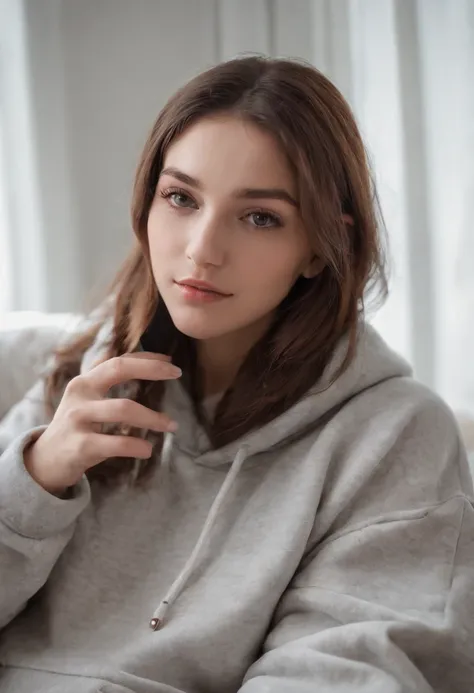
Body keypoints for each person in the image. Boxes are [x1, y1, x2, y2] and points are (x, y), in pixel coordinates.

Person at [0, 56, 473, 693]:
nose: (201, 248)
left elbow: (346, 672)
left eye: (260, 217)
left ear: (319, 246)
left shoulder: (394, 435)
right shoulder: (82, 379)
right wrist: (35, 480)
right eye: (180, 198)